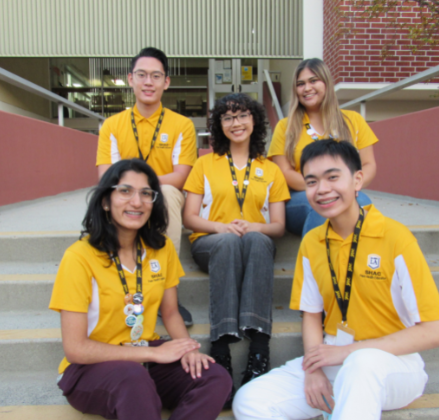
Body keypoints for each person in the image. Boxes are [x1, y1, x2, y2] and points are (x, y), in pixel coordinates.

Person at [233, 140, 439, 420]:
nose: (322, 190)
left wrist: (349, 351)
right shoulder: (312, 241)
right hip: (334, 355)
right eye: (311, 182)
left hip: (393, 363)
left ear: (357, 179)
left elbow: (435, 332)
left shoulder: (396, 239)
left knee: (362, 363)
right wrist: (313, 369)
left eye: (333, 177)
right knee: (249, 401)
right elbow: (311, 315)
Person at [50, 159, 232, 420]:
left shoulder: (162, 248)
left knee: (214, 377)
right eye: (125, 191)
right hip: (92, 367)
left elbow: (170, 313)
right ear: (105, 200)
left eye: (146, 193)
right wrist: (152, 353)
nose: (136, 202)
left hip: (144, 357)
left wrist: (187, 348)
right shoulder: (79, 257)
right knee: (132, 378)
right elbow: (76, 348)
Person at [182, 93, 290, 408]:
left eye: (242, 115)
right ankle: (221, 351)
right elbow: (190, 219)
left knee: (257, 240)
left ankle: (259, 353)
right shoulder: (205, 164)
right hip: (211, 244)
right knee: (230, 242)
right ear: (219, 125)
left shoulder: (270, 169)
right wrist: (221, 227)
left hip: (253, 245)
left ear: (254, 120)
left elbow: (279, 226)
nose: (236, 123)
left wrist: (254, 227)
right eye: (227, 118)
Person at [96, 47, 195, 325]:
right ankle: (120, 290)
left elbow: (181, 176)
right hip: (123, 195)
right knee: (111, 194)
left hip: (164, 196)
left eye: (155, 76)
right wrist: (134, 190)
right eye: (141, 75)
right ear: (130, 79)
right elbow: (106, 177)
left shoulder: (182, 125)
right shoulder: (112, 125)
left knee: (167, 192)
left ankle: (166, 297)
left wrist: (140, 187)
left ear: (166, 82)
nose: (148, 82)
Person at [268, 58, 379, 237]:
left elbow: (368, 165)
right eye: (300, 84)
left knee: (364, 203)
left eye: (313, 81)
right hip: (301, 197)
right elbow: (284, 172)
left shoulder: (353, 120)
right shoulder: (285, 126)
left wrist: (345, 188)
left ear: (326, 83)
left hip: (346, 192)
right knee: (323, 203)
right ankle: (316, 262)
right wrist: (324, 189)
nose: (307, 88)